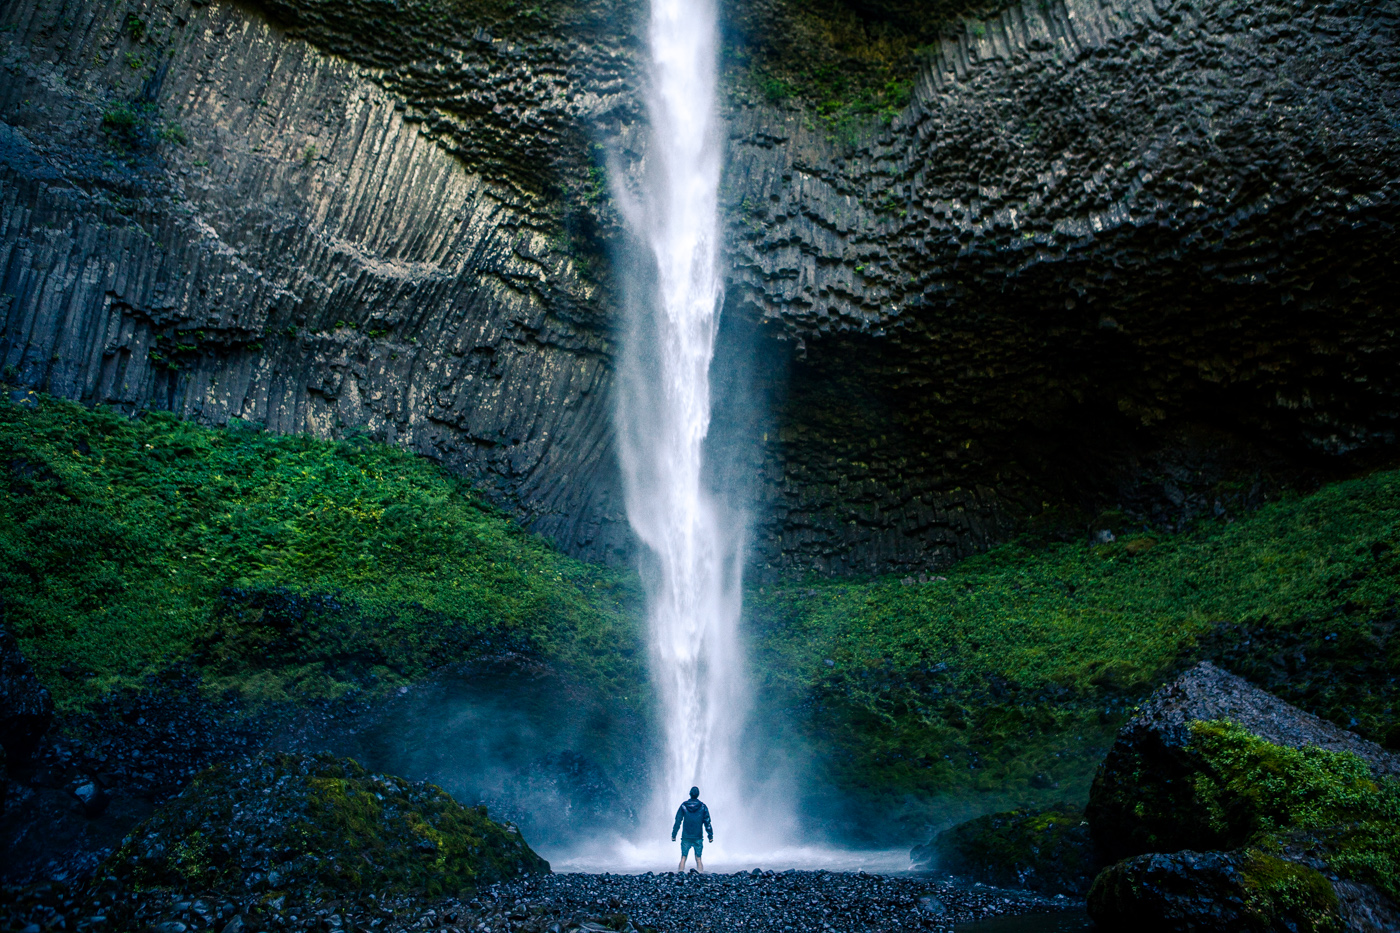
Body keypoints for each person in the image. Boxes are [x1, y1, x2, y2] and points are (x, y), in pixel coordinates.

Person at [671, 786, 714, 872]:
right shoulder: (703, 806)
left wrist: (674, 834)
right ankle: (700, 875)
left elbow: (678, 821)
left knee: (683, 857)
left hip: (686, 836)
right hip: (698, 836)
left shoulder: (684, 806)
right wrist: (710, 836)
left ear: (690, 794)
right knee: (698, 858)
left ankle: (680, 874)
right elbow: (707, 822)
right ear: (698, 795)